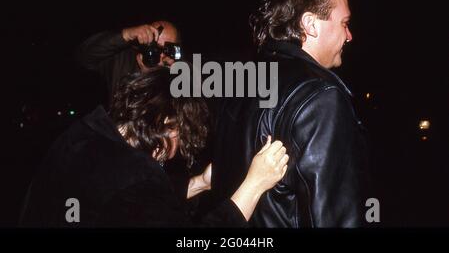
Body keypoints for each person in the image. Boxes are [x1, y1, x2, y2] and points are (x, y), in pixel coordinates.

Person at [19, 67, 289, 227]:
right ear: (167, 123)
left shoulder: (86, 134)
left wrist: (199, 183)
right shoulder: (135, 174)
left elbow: (129, 206)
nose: (175, 150)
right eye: (181, 135)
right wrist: (254, 185)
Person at [210, 0, 370, 227]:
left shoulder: (239, 82)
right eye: (344, 23)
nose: (349, 35)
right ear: (311, 24)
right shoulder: (321, 96)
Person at [75, 20, 181, 101]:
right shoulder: (123, 58)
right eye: (155, 46)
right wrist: (125, 35)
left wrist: (163, 77)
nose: (160, 53)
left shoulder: (178, 74)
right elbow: (84, 56)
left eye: (167, 48)